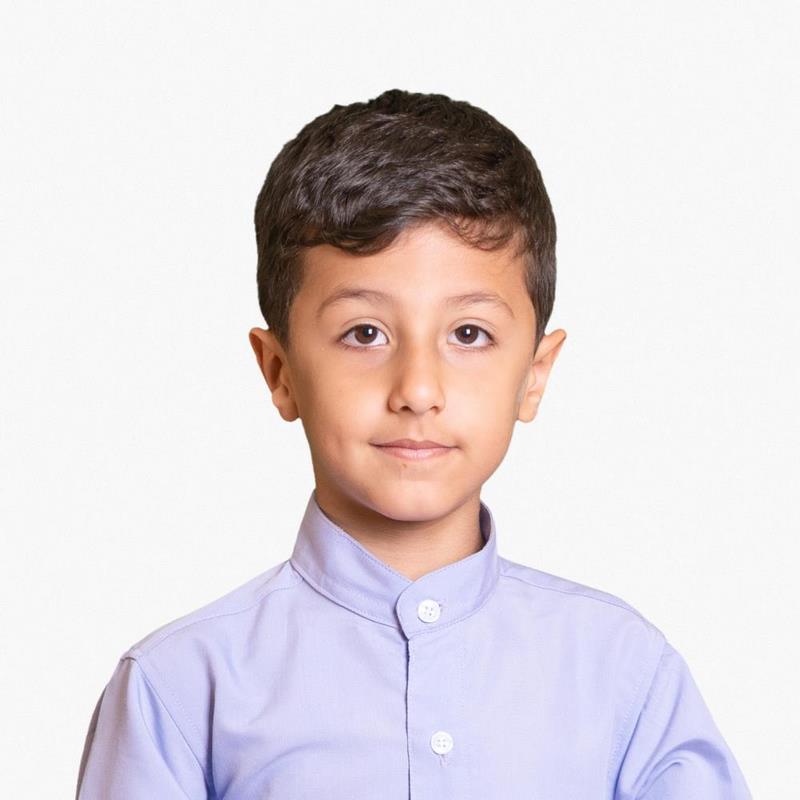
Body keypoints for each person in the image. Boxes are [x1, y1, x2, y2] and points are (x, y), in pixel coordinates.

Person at [75, 89, 752, 799]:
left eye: (469, 334)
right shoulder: (181, 692)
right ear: (280, 372)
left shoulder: (625, 675)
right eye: (364, 333)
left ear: (534, 375)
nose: (418, 389)